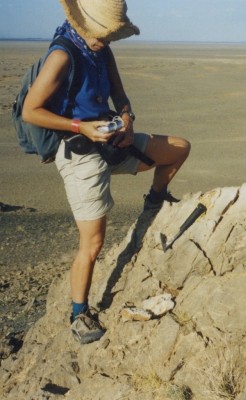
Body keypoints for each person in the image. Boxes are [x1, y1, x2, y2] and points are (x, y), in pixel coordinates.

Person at [22, 0, 190, 344]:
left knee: (179, 148)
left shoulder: (102, 51)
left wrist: (126, 120)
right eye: (102, 35)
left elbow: (121, 98)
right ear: (84, 25)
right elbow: (31, 111)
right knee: (93, 243)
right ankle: (79, 313)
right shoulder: (62, 56)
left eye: (110, 36)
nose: (105, 40)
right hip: (81, 151)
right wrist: (80, 128)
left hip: (111, 140)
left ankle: (154, 203)